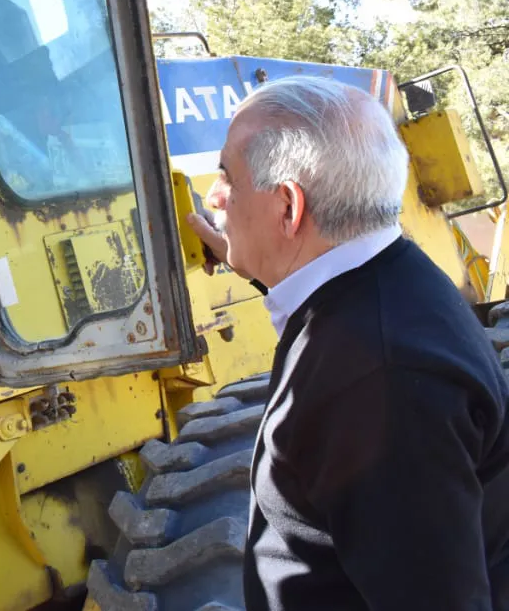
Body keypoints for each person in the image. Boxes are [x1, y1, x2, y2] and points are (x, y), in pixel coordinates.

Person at [184, 75, 509, 610]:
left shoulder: (381, 383)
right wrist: (257, 260)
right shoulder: (387, 279)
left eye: (228, 178)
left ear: (288, 206)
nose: (215, 196)